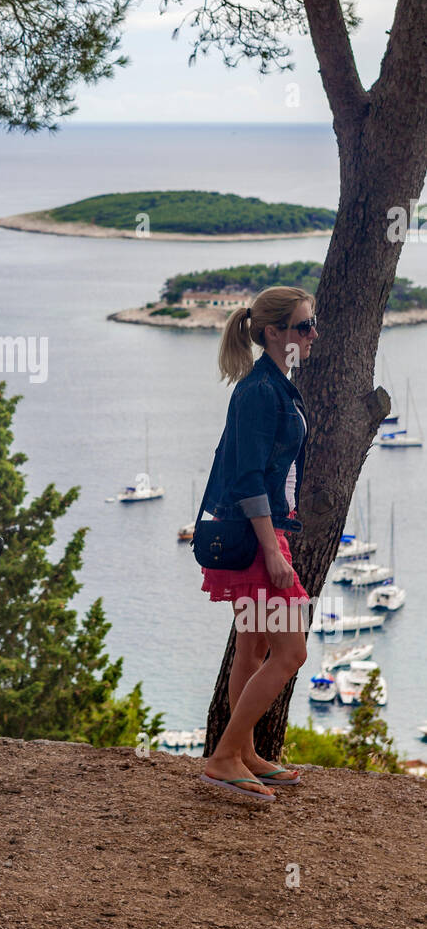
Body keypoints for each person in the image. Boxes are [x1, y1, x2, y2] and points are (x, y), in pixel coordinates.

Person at [197, 287, 317, 803]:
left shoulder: (276, 386)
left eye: (312, 325)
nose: (313, 336)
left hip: (265, 533)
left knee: (253, 647)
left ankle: (243, 752)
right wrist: (272, 549)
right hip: (257, 539)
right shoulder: (261, 392)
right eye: (304, 326)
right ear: (274, 333)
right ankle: (224, 758)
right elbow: (246, 478)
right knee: (291, 651)